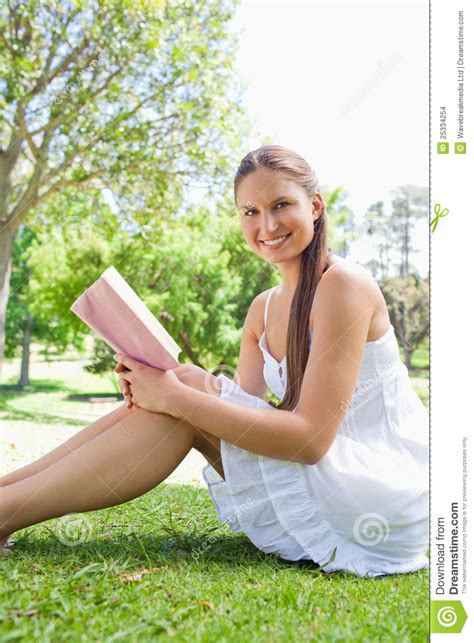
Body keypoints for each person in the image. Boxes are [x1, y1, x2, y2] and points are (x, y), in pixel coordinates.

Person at [0, 145, 429, 579]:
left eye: (282, 205)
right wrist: (154, 383)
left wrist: (172, 396)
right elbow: (240, 417)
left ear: (314, 206)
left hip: (374, 493)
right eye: (250, 212)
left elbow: (310, 440)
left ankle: (4, 511)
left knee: (183, 391)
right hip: (326, 474)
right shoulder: (262, 310)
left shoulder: (343, 285)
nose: (267, 225)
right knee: (185, 382)